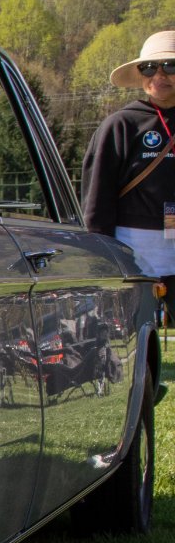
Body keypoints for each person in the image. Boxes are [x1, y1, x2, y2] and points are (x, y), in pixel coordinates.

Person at [81, 30, 175, 323]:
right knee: (134, 335)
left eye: (169, 65)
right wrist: (100, 258)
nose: (158, 75)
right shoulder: (120, 125)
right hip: (131, 254)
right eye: (148, 68)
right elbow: (97, 198)